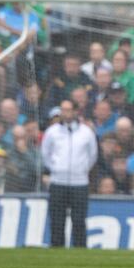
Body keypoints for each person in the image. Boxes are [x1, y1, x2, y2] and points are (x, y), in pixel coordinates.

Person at [41, 100, 98, 248]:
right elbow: (45, 154)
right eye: (63, 110)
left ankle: (80, 250)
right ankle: (57, 249)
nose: (65, 113)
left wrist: (81, 170)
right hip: (58, 182)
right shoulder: (52, 132)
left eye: (68, 110)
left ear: (75, 111)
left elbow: (92, 155)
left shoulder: (86, 132)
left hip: (79, 183)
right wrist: (56, 168)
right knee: (57, 220)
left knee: (79, 220)